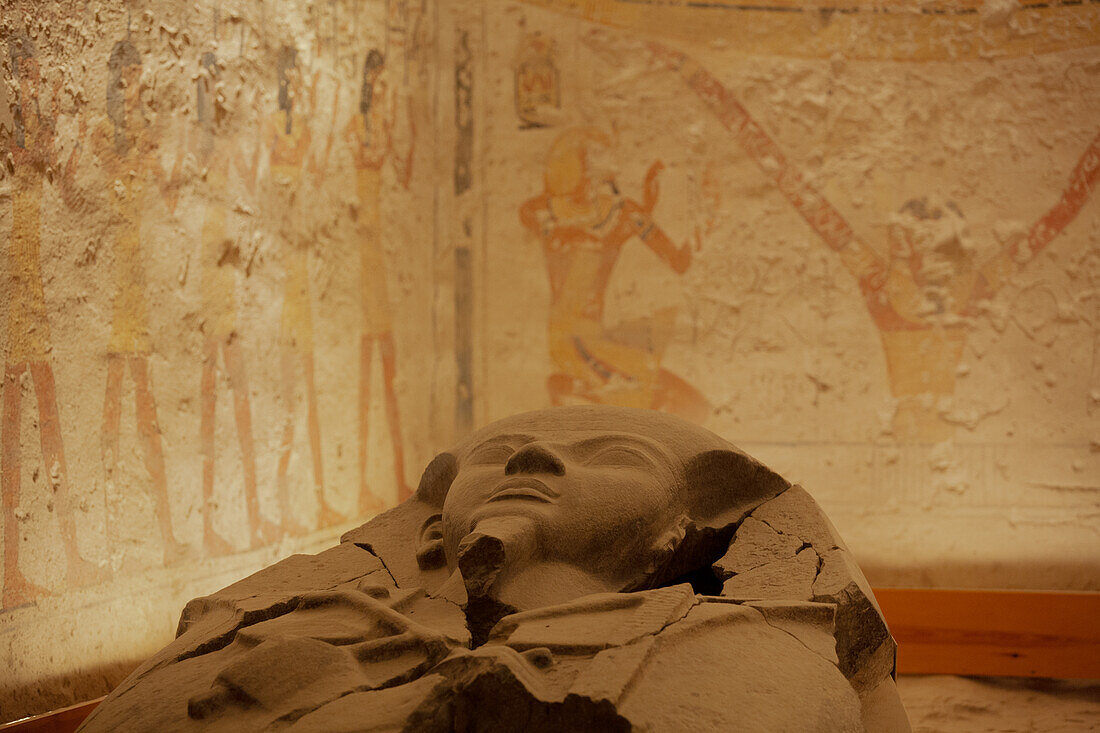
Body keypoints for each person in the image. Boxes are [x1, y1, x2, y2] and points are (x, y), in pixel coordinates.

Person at [80, 405, 908, 731]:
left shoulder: (729, 646)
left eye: (613, 455)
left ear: (680, 533)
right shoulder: (288, 611)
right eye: (499, 454)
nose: (537, 455)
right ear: (438, 518)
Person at [2, 34, 108, 609]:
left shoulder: (33, 129)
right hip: (18, 284)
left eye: (37, 75)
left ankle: (67, 558)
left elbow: (66, 191)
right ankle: (14, 572)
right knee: (21, 426)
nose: (35, 83)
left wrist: (70, 142)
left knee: (46, 417)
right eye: (29, 75)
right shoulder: (16, 129)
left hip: (34, 283)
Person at [519, 129, 710, 422]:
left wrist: (699, 225)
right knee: (664, 405)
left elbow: (679, 262)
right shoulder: (551, 213)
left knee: (678, 404)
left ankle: (574, 391)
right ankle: (575, 393)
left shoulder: (619, 215)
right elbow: (559, 226)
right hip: (573, 344)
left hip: (591, 343)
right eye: (589, 164)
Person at [342, 48, 415, 510]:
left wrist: (416, 128)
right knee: (367, 379)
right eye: (381, 83)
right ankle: (361, 482)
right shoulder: (356, 129)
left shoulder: (382, 130)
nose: (385, 91)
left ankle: (398, 476)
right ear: (369, 82)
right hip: (360, 256)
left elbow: (405, 176)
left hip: (378, 261)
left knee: (388, 377)